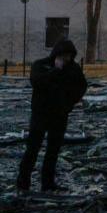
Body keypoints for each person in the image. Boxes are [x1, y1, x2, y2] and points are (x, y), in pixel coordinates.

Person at [16, 40, 87, 193]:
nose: (66, 58)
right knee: (32, 149)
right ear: (56, 54)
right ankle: (23, 183)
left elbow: (81, 86)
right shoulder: (40, 65)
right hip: (40, 114)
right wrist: (56, 70)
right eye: (63, 55)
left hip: (60, 115)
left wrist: (69, 104)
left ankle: (47, 184)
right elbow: (37, 82)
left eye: (69, 55)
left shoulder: (73, 69)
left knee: (53, 151)